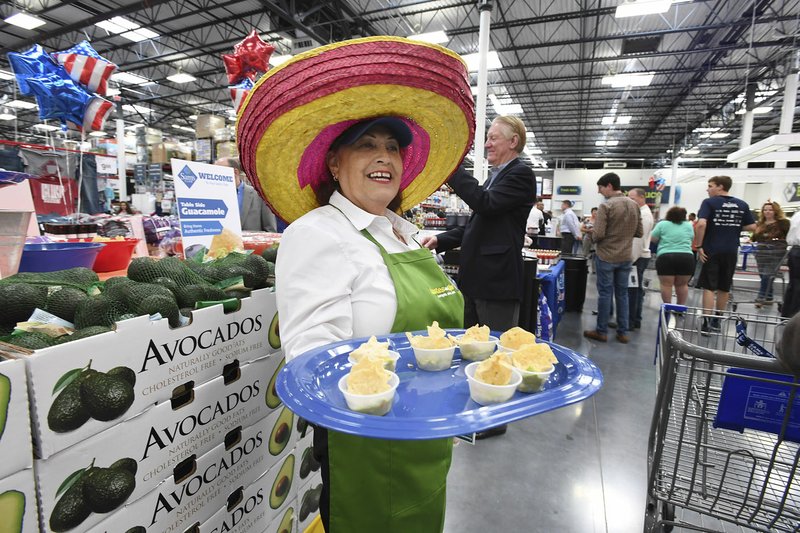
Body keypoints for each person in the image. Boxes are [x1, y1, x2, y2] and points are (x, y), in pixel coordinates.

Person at [237, 37, 475, 532]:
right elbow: (311, 364)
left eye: (392, 146)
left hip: (426, 439)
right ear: (333, 163)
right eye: (366, 144)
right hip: (368, 447)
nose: (383, 155)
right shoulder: (317, 234)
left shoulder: (401, 231)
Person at [421, 115, 535, 439]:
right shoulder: (499, 177)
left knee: (496, 351)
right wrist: (442, 238)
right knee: (474, 347)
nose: (487, 144)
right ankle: (476, 408)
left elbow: (485, 205)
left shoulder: (521, 174)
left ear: (513, 141)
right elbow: (477, 224)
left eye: (493, 137)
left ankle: (495, 420)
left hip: (497, 281)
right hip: (478, 279)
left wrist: (453, 172)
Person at [583, 172, 642, 344]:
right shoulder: (634, 205)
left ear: (609, 186)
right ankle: (622, 332)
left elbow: (599, 233)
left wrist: (590, 235)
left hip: (606, 255)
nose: (600, 192)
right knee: (622, 294)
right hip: (625, 256)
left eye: (600, 188)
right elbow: (639, 232)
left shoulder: (606, 206)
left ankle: (601, 331)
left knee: (605, 294)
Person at [694, 176, 756, 334]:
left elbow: (701, 224)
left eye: (710, 186)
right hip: (731, 250)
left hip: (712, 249)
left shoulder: (709, 202)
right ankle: (717, 321)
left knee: (708, 286)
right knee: (724, 286)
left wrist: (699, 245)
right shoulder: (742, 204)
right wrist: (732, 225)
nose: (707, 189)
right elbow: (753, 226)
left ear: (720, 187)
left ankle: (706, 322)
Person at [214, 156, 277, 232]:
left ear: (235, 172)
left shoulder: (259, 195)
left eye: (219, 171)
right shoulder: (215, 196)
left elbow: (270, 230)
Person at [650, 206, 695, 305]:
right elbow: (691, 239)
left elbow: (653, 238)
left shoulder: (662, 224)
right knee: (682, 285)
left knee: (666, 285)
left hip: (666, 257)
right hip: (686, 257)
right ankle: (680, 308)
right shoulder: (688, 225)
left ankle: (667, 307)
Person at [751, 201, 790, 307]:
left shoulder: (783, 223)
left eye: (770, 210)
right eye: (765, 210)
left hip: (776, 253)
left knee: (767, 275)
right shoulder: (760, 224)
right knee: (764, 274)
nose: (767, 212)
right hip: (761, 253)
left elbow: (789, 236)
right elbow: (754, 238)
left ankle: (761, 297)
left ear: (776, 211)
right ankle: (769, 297)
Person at [627, 188, 654, 330]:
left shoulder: (643, 216)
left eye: (633, 198)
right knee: (635, 291)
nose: (630, 201)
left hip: (637, 258)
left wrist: (629, 261)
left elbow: (638, 241)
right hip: (639, 257)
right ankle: (635, 319)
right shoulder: (642, 213)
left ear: (642, 198)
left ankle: (630, 322)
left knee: (632, 292)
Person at [782, 210, 800, 317]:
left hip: (794, 251)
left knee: (794, 284)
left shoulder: (797, 214)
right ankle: (795, 316)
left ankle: (786, 314)